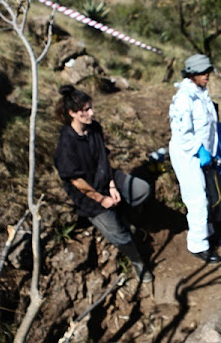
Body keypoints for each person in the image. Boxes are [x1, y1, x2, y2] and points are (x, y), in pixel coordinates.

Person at [53, 85, 153, 283]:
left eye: (91, 107)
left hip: (105, 179)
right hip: (88, 197)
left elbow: (102, 158)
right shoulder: (66, 145)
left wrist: (112, 186)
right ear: (73, 113)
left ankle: (124, 212)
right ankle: (137, 262)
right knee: (120, 235)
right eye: (86, 110)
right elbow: (76, 181)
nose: (92, 113)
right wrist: (102, 198)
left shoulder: (94, 128)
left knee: (142, 190)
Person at [168, 54, 221, 264]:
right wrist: (199, 150)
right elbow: (182, 132)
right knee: (197, 200)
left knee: (206, 195)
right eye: (202, 73)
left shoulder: (200, 92)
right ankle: (198, 245)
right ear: (191, 74)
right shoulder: (184, 97)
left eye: (208, 72)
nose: (207, 76)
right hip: (187, 154)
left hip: (201, 153)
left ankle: (207, 232)